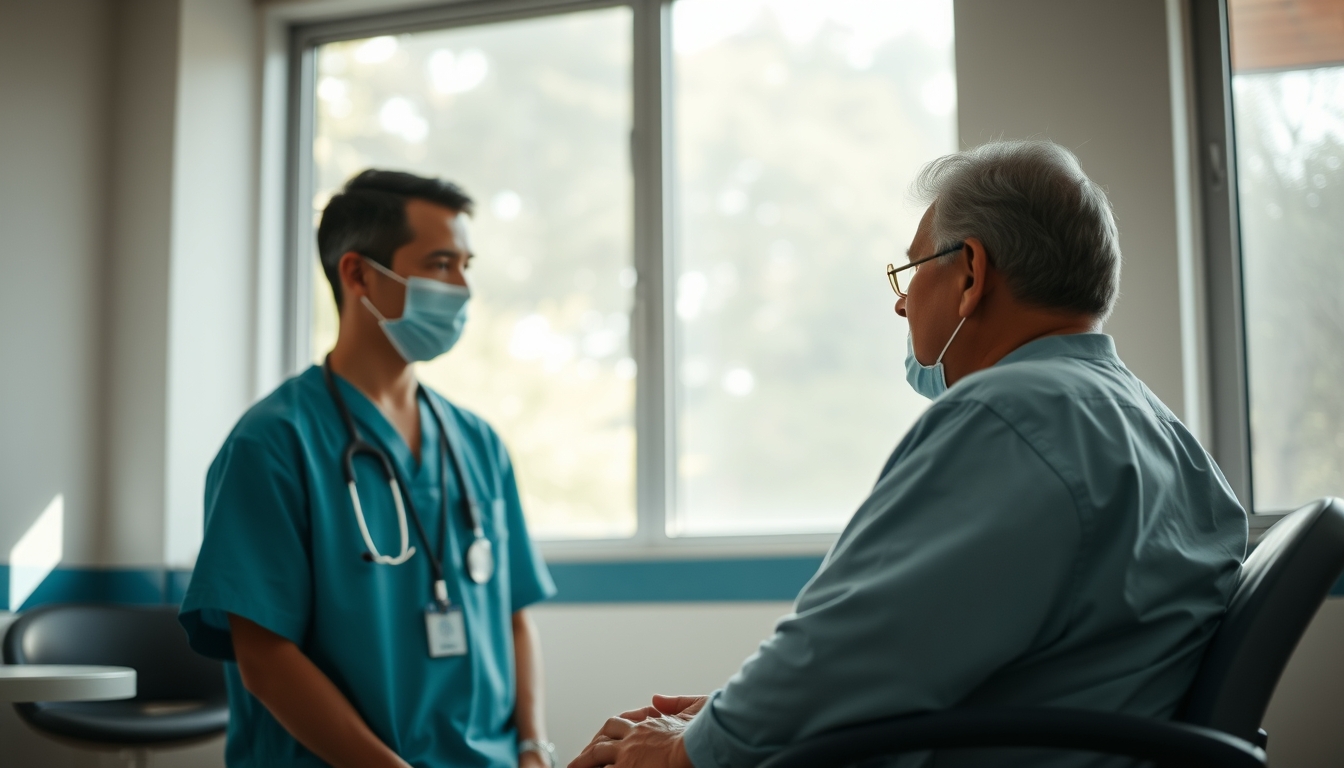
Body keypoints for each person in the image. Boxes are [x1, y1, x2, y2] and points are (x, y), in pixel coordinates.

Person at [568, 140, 1249, 768]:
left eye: (911, 272)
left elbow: (844, 653)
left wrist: (689, 752)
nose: (901, 307)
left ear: (971, 273)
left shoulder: (1010, 414)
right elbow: (916, 651)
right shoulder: (1163, 437)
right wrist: (725, 719)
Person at [180, 170, 558, 768]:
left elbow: (514, 618)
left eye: (467, 264)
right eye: (440, 264)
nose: (462, 287)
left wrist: (533, 748)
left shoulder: (477, 442)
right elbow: (264, 659)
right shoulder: (273, 443)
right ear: (357, 273)